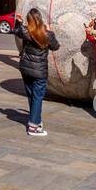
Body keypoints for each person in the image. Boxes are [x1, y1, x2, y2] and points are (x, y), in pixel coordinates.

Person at [13, 9, 60, 137]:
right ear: (40, 19)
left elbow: (16, 31)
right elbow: (56, 46)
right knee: (38, 97)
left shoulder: (26, 31)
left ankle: (37, 121)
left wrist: (18, 23)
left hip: (26, 69)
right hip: (39, 71)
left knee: (32, 95)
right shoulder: (46, 34)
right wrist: (50, 31)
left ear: (29, 20)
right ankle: (33, 127)